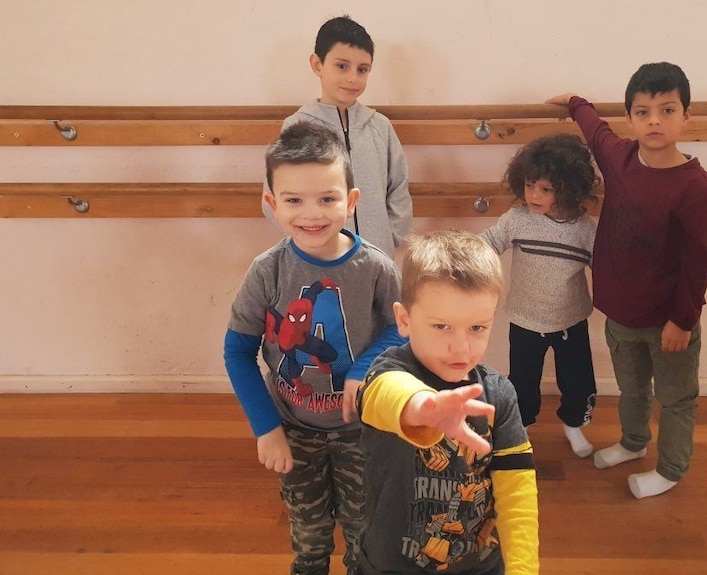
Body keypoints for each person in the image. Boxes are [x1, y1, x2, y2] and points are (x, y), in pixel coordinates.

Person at [225, 121, 406, 575]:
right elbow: (237, 351)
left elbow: (400, 329)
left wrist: (363, 367)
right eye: (294, 200)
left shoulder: (377, 269)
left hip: (361, 430)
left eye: (327, 198)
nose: (312, 213)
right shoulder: (267, 271)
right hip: (293, 429)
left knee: (364, 532)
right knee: (309, 537)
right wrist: (266, 428)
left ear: (352, 201)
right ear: (272, 204)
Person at [547, 62, 707, 499]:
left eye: (667, 110)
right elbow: (593, 128)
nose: (654, 121)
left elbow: (698, 261)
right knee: (631, 388)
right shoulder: (619, 156)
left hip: (669, 323)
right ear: (631, 118)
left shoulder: (695, 187)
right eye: (643, 112)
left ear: (687, 115)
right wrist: (574, 102)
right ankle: (632, 441)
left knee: (676, 398)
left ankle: (671, 468)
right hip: (621, 314)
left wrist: (683, 320)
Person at [356, 231, 539, 575]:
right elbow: (386, 394)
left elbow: (517, 490)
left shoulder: (499, 393)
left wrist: (523, 569)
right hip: (390, 564)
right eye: (441, 326)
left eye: (477, 327)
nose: (461, 348)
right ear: (404, 319)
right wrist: (425, 407)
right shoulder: (385, 371)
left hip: (479, 564)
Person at [480, 134, 599, 458]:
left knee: (578, 381)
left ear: (568, 187)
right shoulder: (517, 219)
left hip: (570, 320)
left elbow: (607, 269)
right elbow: (487, 243)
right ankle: (521, 429)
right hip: (524, 318)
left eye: (545, 189)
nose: (534, 195)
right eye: (530, 185)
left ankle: (574, 425)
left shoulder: (585, 229)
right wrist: (458, 256)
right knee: (522, 382)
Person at [262, 14, 413, 256]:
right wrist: (307, 236)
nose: (353, 78)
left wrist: (390, 237)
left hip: (376, 255)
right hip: (315, 257)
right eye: (342, 66)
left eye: (362, 69)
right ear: (317, 65)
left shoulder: (380, 126)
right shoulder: (297, 125)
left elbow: (398, 187)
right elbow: (274, 194)